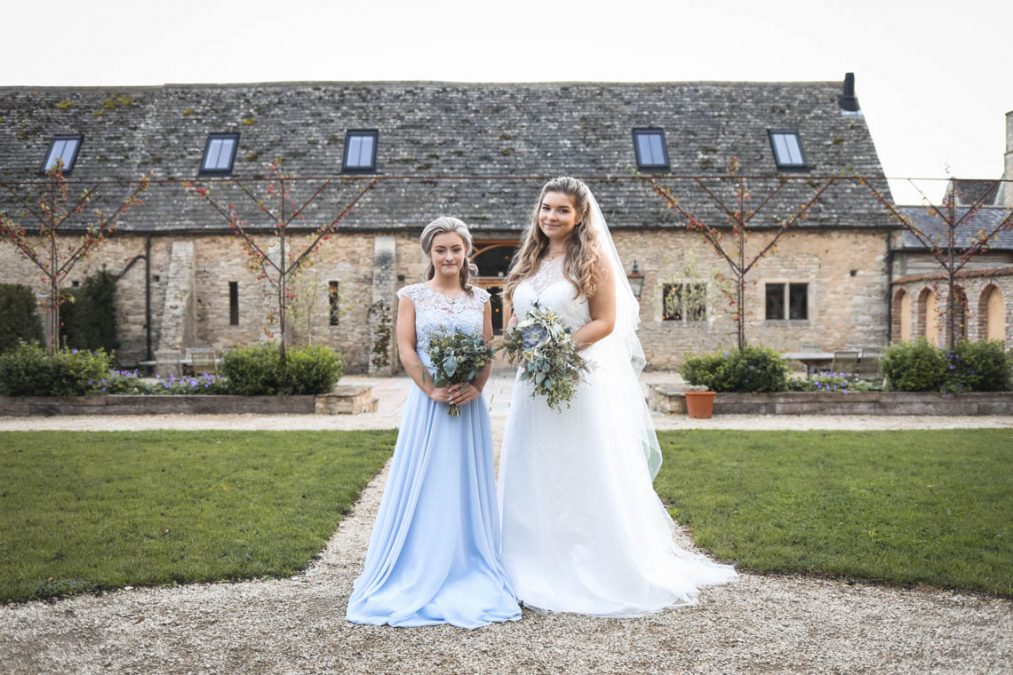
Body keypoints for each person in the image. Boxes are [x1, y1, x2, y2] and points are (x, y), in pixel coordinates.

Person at [498, 177, 737, 617]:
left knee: (576, 465)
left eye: (561, 210)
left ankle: (585, 561)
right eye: (546, 208)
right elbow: (514, 311)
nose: (551, 216)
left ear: (579, 216)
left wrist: (559, 348)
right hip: (532, 383)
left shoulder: (593, 261)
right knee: (531, 462)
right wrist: (517, 333)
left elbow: (605, 321)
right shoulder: (529, 260)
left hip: (577, 379)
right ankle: (525, 559)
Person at [346, 216, 520, 628]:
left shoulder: (480, 299)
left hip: (467, 404)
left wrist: (476, 388)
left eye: (455, 249)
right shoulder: (412, 296)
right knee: (426, 476)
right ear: (429, 253)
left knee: (463, 478)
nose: (448, 256)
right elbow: (406, 348)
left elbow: (486, 347)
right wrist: (431, 388)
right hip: (430, 402)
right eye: (440, 249)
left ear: (466, 252)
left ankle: (465, 558)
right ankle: (419, 560)